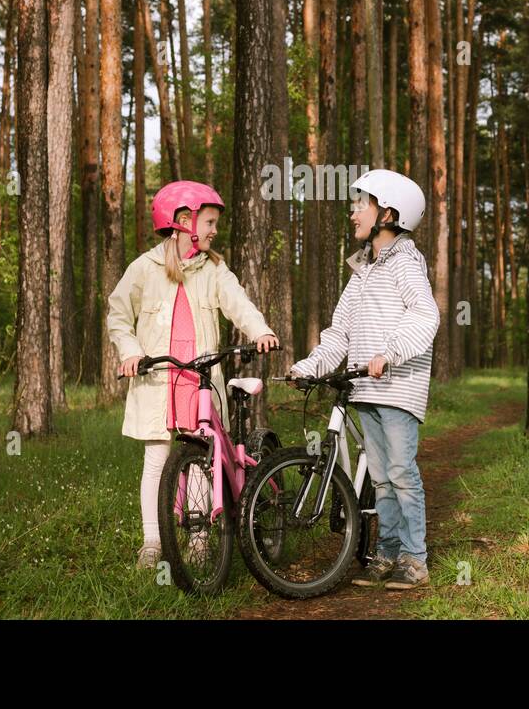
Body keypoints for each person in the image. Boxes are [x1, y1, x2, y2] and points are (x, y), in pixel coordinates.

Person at [107, 180, 278, 569]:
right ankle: (152, 542)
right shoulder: (145, 268)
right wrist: (131, 352)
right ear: (185, 221)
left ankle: (200, 540)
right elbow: (118, 315)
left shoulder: (214, 268)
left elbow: (239, 304)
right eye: (210, 221)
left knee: (202, 455)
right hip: (159, 377)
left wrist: (260, 331)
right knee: (156, 459)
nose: (215, 230)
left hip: (198, 378)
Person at [290, 169, 440, 590]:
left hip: (398, 387)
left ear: (388, 213)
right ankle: (387, 553)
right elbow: (340, 332)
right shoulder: (363, 271)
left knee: (400, 471)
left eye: (362, 204)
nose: (353, 212)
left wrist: (389, 353)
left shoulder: (406, 263)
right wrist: (310, 366)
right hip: (366, 388)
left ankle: (415, 558)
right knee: (381, 478)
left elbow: (425, 314)